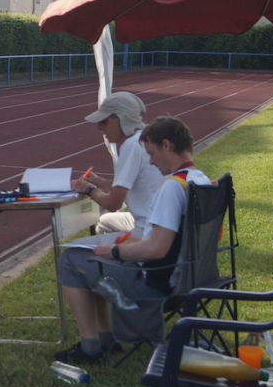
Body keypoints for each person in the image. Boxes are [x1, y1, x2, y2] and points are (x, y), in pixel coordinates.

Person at [54, 116, 210, 364]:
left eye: (151, 154)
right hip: (194, 278)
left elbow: (156, 249)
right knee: (93, 256)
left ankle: (91, 347)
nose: (151, 161)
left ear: (166, 145)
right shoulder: (199, 179)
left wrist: (114, 252)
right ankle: (106, 338)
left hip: (159, 285)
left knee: (70, 260)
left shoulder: (172, 188)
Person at [70, 92, 165, 237]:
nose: (99, 127)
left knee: (76, 250)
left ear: (121, 119)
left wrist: (88, 189)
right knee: (104, 221)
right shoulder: (144, 139)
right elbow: (124, 189)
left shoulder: (131, 145)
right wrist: (98, 181)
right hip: (161, 222)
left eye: (104, 122)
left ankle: (123, 250)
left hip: (149, 227)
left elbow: (113, 204)